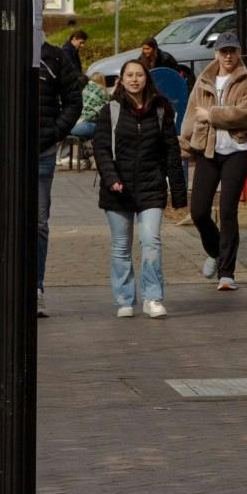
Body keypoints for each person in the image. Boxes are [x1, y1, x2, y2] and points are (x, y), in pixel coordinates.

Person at [91, 58, 187, 319]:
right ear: (121, 80)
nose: (134, 79)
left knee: (151, 243)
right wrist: (111, 179)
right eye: (129, 75)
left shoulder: (160, 110)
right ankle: (124, 299)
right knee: (121, 247)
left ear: (147, 79)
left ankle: (153, 297)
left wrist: (178, 192)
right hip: (117, 190)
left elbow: (171, 152)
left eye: (139, 75)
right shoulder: (109, 110)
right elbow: (100, 149)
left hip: (150, 187)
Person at [180, 40, 247, 293]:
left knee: (227, 211)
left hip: (236, 151)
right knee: (199, 211)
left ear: (239, 53)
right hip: (207, 150)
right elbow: (192, 114)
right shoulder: (204, 80)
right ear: (216, 53)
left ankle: (227, 273)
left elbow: (243, 114)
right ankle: (215, 252)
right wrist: (184, 145)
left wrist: (212, 114)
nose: (228, 55)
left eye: (232, 51)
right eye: (223, 51)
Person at [33, 34, 87, 317]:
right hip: (9, 155)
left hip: (42, 151)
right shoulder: (4, 51)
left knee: (39, 222)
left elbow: (73, 99)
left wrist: (55, 133)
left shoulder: (54, 56)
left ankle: (36, 287)